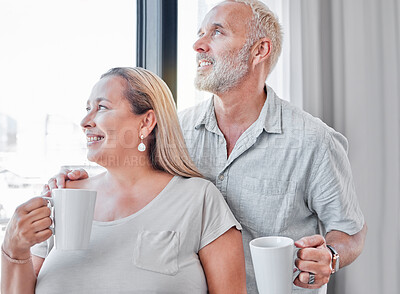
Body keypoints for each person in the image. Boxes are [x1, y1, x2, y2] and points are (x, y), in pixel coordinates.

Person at [47, 0, 368, 293]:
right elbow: (134, 181)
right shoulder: (177, 129)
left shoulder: (314, 141)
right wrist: (80, 182)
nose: (198, 45)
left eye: (217, 32)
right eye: (200, 33)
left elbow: (350, 231)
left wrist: (330, 255)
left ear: (260, 50)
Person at [1, 67, 247, 294]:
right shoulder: (62, 195)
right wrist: (14, 249)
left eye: (103, 107)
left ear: (146, 122)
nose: (85, 122)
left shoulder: (200, 199)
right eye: (88, 109)